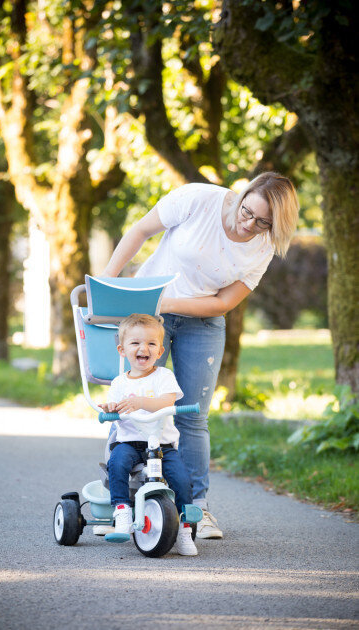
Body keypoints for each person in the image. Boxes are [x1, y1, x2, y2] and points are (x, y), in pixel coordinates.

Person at [101, 172, 299, 539]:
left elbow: (224, 301)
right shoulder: (197, 199)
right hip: (147, 318)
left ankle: (198, 509)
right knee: (130, 402)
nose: (248, 225)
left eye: (263, 223)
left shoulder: (263, 246)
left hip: (202, 322)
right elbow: (141, 231)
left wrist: (170, 303)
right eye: (247, 212)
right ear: (244, 193)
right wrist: (108, 283)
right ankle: (124, 500)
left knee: (191, 416)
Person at [99, 313, 198, 556]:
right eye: (135, 343)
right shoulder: (119, 383)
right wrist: (110, 408)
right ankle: (122, 510)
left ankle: (184, 528)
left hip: (162, 445)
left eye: (151, 344)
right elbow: (114, 405)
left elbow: (168, 401)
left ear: (160, 350)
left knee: (182, 479)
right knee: (117, 462)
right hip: (130, 443)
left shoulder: (164, 377)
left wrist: (141, 401)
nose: (144, 348)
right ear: (122, 350)